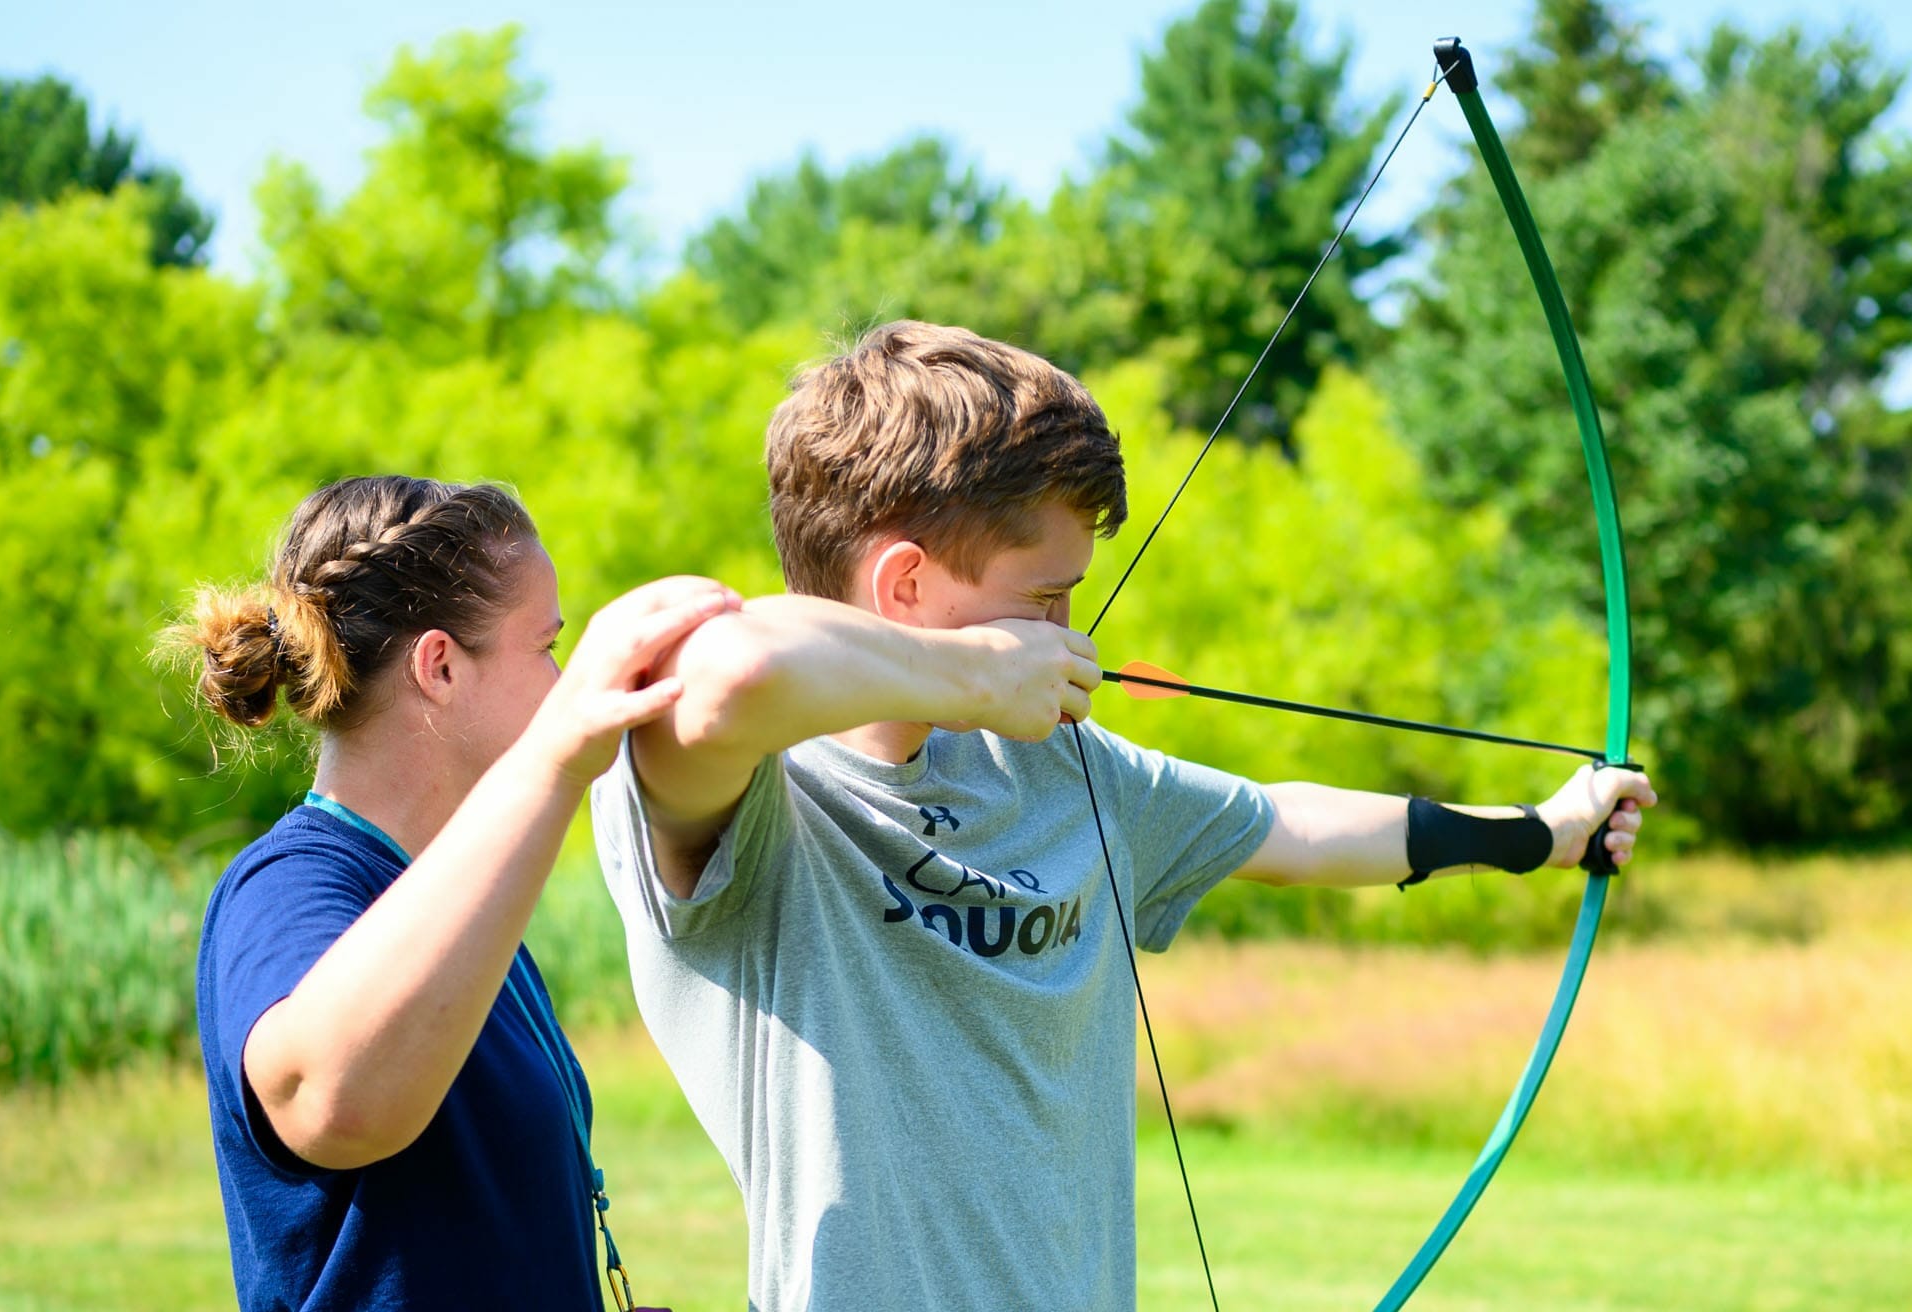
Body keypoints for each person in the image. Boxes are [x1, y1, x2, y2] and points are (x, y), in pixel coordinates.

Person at [589, 321, 1658, 1309]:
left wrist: (1542, 831)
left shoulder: (1049, 769)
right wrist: (971, 676)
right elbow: (733, 668)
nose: (1071, 638)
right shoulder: (753, 798)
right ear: (905, 586)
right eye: (1042, 601)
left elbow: (1283, 826)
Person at [173, 474, 736, 1311]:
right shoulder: (288, 884)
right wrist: (555, 763)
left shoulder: (459, 895)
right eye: (545, 647)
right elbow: (331, 1102)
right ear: (438, 666)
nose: (561, 684)